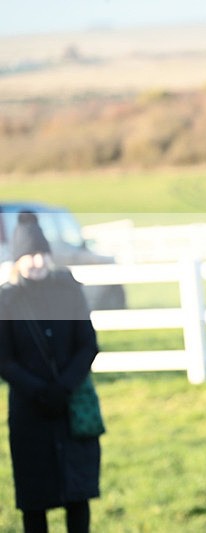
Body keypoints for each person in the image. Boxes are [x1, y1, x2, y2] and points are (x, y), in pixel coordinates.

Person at [0, 212, 101, 533]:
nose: (37, 261)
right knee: (35, 499)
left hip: (70, 407)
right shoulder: (6, 299)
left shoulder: (68, 290)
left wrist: (64, 388)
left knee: (77, 494)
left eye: (41, 253)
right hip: (30, 412)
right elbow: (4, 359)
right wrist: (39, 391)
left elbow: (87, 344)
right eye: (28, 255)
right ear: (18, 258)